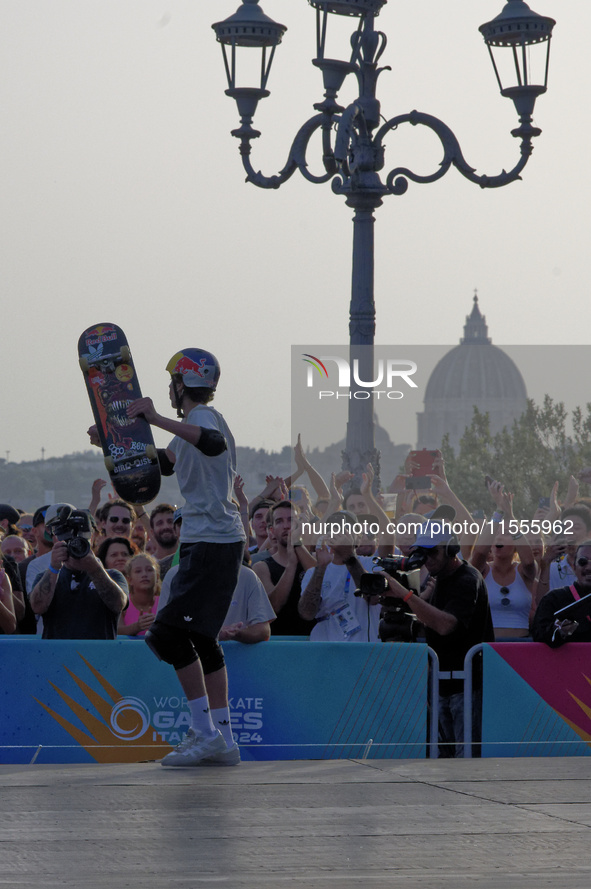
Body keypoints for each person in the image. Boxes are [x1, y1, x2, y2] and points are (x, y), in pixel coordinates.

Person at [120, 347, 245, 767]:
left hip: (213, 541)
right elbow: (167, 464)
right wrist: (115, 444)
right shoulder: (193, 423)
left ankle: (205, 731)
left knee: (167, 634)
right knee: (201, 639)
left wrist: (154, 418)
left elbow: (207, 443)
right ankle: (223, 739)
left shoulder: (202, 420)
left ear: (182, 384)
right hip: (208, 540)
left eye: (173, 381)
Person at [378, 510, 494, 757]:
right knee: (443, 758)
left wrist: (406, 595)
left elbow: (445, 625)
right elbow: (427, 621)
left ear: (451, 549)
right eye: (422, 552)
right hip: (442, 683)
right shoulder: (438, 578)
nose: (427, 559)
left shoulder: (467, 578)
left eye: (432, 552)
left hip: (467, 684)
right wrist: (406, 601)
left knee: (466, 759)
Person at [29, 505, 128, 639]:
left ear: (91, 539)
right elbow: (37, 607)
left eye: (81, 540)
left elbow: (118, 605)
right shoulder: (46, 577)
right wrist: (53, 568)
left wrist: (94, 569)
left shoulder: (113, 576)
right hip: (58, 657)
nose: (74, 545)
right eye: (68, 540)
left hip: (97, 657)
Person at [298, 511, 380, 641]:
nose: (339, 533)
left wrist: (349, 555)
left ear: (358, 537)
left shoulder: (373, 564)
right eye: (333, 528)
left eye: (346, 528)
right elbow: (307, 613)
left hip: (363, 651)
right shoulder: (313, 572)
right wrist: (321, 567)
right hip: (327, 652)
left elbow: (372, 598)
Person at [252, 500, 316, 636]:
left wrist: (296, 542)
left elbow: (322, 580)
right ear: (272, 530)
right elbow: (274, 607)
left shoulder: (314, 559)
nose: (286, 526)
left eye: (291, 520)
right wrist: (291, 566)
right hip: (279, 643)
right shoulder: (262, 567)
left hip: (312, 642)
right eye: (280, 521)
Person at [532, 540, 591, 647]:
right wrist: (559, 632)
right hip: (567, 662)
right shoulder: (553, 599)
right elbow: (538, 635)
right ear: (573, 567)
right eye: (583, 562)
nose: (589, 568)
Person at [119, 553, 161, 637]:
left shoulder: (164, 602)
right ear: (129, 580)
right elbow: (116, 631)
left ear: (157, 577)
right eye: (138, 571)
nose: (144, 574)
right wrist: (137, 626)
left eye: (149, 570)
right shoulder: (122, 604)